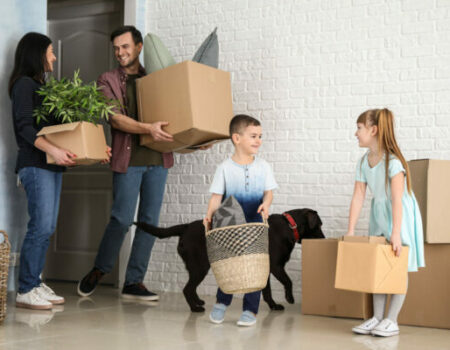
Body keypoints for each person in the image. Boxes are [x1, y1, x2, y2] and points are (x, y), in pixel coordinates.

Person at [77, 25, 175, 301]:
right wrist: (148, 128)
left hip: (158, 160)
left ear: (139, 46)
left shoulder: (157, 78)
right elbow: (115, 118)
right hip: (128, 160)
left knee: (149, 223)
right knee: (121, 219)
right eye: (116, 48)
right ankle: (101, 268)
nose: (120, 53)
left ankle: (134, 282)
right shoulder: (106, 79)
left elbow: (175, 115)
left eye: (125, 47)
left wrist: (198, 138)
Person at [9, 32, 76, 309]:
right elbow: (24, 127)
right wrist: (53, 150)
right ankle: (26, 289)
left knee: (46, 227)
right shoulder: (24, 85)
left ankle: (35, 282)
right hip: (35, 165)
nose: (54, 57)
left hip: (50, 165)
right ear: (37, 54)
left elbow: (58, 131)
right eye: (50, 52)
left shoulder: (44, 88)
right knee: (40, 226)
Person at [346, 108, 425, 337]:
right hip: (379, 213)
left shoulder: (394, 162)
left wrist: (397, 233)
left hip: (400, 215)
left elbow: (397, 199)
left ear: (373, 130)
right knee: (378, 264)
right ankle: (377, 317)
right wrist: (351, 229)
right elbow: (359, 196)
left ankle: (392, 320)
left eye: (359, 128)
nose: (355, 133)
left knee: (397, 264)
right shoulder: (364, 161)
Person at [203, 114, 277, 327]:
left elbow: (269, 192)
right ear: (237, 138)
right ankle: (221, 302)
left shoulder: (263, 166)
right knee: (229, 263)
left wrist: (267, 203)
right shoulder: (224, 168)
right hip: (230, 224)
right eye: (253, 136)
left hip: (255, 223)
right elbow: (217, 196)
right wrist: (209, 217)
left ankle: (250, 310)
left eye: (260, 136)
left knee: (255, 265)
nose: (258, 141)